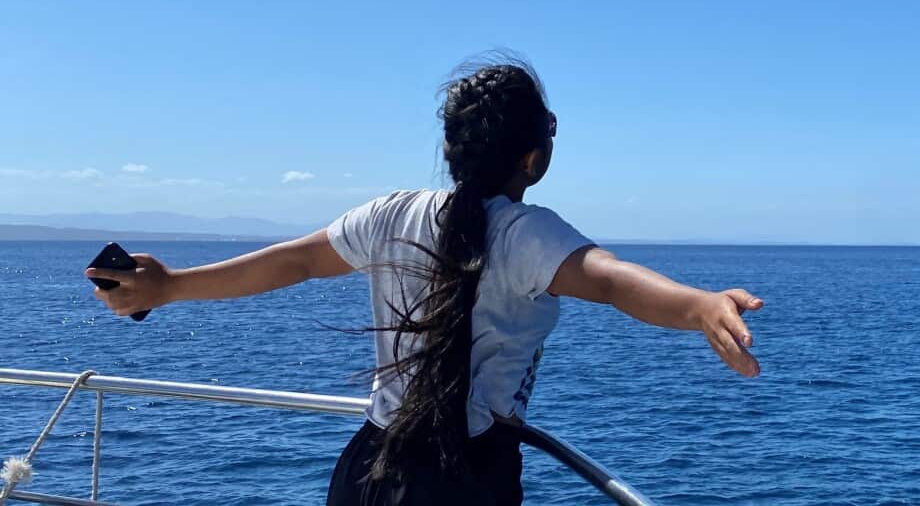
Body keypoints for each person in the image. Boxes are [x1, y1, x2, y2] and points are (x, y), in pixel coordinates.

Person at [85, 57, 764, 505]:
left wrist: (170, 286)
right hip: (464, 477)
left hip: (368, 470)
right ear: (534, 157)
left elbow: (292, 262)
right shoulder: (527, 233)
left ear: (451, 148)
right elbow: (610, 280)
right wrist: (699, 306)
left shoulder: (391, 214)